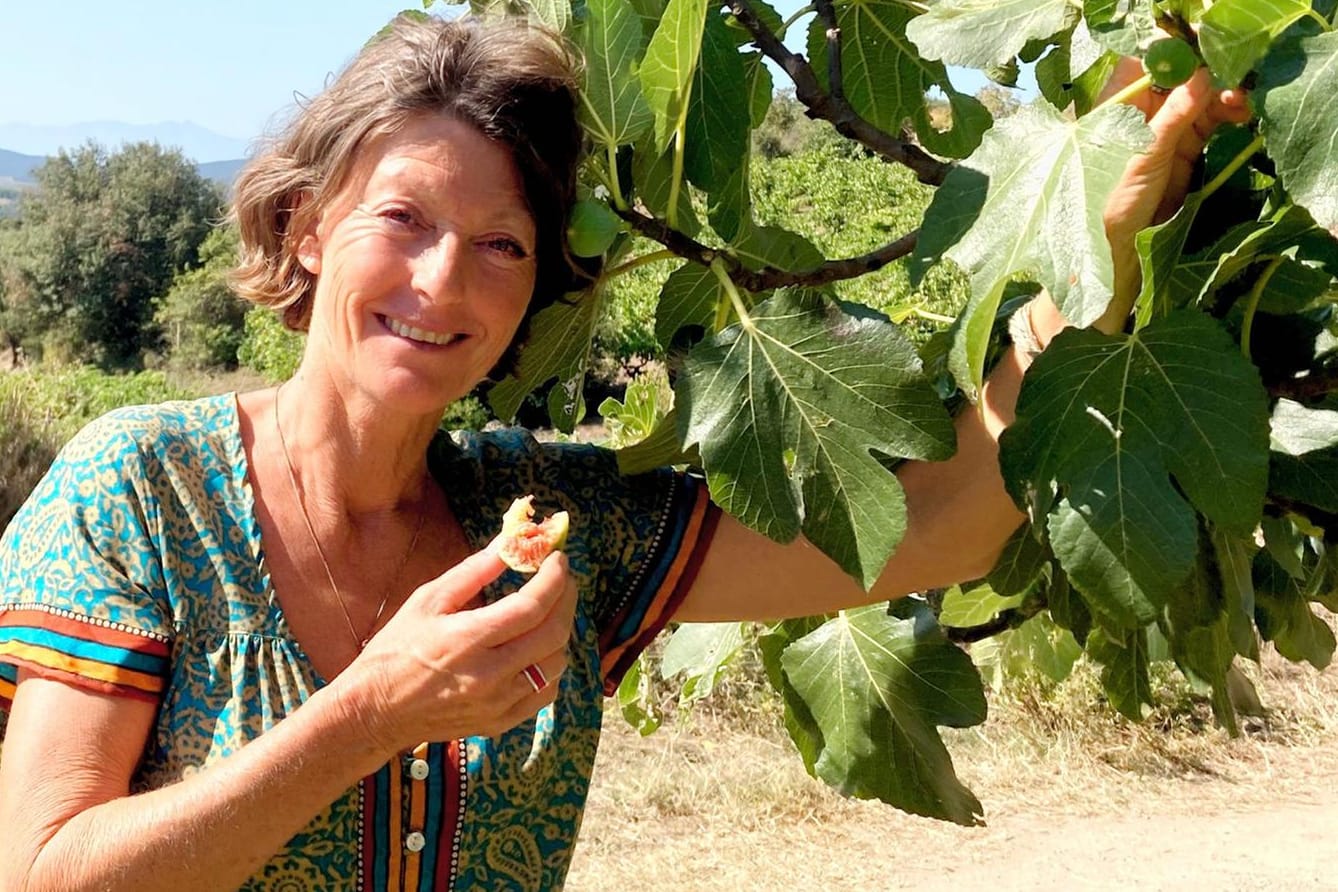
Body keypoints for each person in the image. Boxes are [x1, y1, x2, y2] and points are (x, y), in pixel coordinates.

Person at [0, 13, 1248, 891]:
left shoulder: (553, 529)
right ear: (304, 225)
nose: (444, 280)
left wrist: (1100, 251)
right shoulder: (142, 488)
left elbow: (945, 526)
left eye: (503, 244)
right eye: (404, 217)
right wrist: (373, 711)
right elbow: (44, 872)